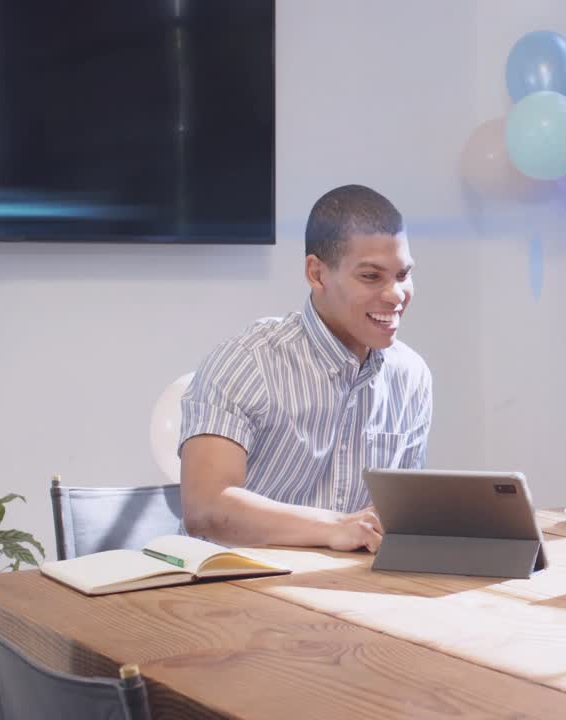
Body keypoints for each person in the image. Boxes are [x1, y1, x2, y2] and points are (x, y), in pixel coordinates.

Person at [177, 184, 432, 553]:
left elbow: (397, 518)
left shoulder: (412, 376)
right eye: (372, 277)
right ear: (316, 273)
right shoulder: (247, 363)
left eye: (403, 275)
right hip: (229, 590)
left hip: (346, 591)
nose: (395, 295)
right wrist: (334, 527)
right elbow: (206, 507)